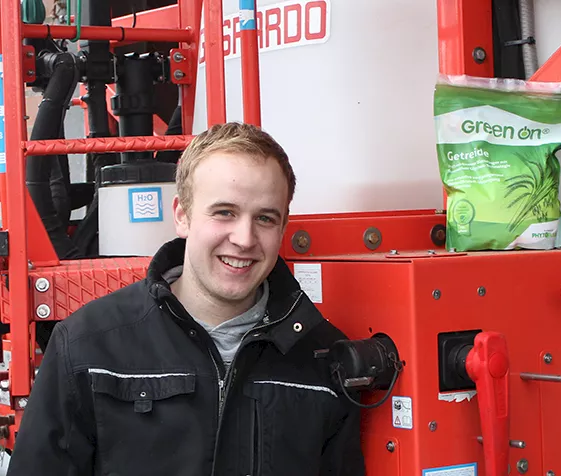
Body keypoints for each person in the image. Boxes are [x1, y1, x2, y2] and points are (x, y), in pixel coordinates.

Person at [7, 122, 366, 475]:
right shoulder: (88, 347)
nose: (244, 238)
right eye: (224, 212)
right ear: (182, 215)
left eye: (265, 218)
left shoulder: (322, 360)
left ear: (283, 227)